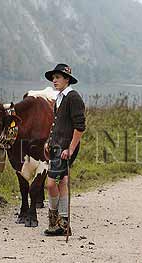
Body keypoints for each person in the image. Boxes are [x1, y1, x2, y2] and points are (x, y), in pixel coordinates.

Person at [43, 63, 86, 236]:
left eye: (58, 77)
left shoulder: (73, 97)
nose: (54, 80)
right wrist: (49, 141)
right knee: (61, 183)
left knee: (50, 184)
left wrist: (70, 149)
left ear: (67, 79)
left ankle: (56, 221)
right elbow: (57, 125)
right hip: (56, 146)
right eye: (53, 78)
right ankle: (63, 224)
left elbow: (80, 127)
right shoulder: (60, 98)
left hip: (65, 149)